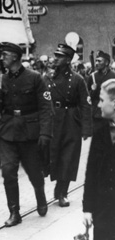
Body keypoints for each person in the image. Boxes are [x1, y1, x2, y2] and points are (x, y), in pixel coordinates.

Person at [0, 42, 53, 228]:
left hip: (29, 132)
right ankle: (14, 212)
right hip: (8, 131)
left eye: (5, 55)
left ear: (16, 57)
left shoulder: (35, 78)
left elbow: (45, 108)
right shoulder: (1, 79)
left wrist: (45, 133)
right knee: (8, 171)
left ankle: (40, 197)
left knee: (34, 172)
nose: (2, 58)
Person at [45, 44, 92, 207]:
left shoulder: (77, 79)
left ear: (68, 60)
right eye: (55, 55)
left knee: (69, 156)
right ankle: (56, 183)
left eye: (59, 56)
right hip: (52, 120)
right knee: (54, 155)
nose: (55, 58)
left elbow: (86, 104)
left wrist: (86, 128)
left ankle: (63, 191)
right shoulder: (47, 78)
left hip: (71, 121)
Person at [82, 78, 115, 240]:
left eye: (102, 100)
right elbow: (91, 172)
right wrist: (87, 208)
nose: (99, 105)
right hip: (103, 209)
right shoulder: (101, 130)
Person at [87, 50, 115, 132]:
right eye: (96, 61)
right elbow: (87, 96)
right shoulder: (92, 77)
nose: (96, 63)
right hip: (95, 113)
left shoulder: (113, 76)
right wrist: (92, 90)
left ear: (106, 63)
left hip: (110, 113)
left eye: (99, 61)